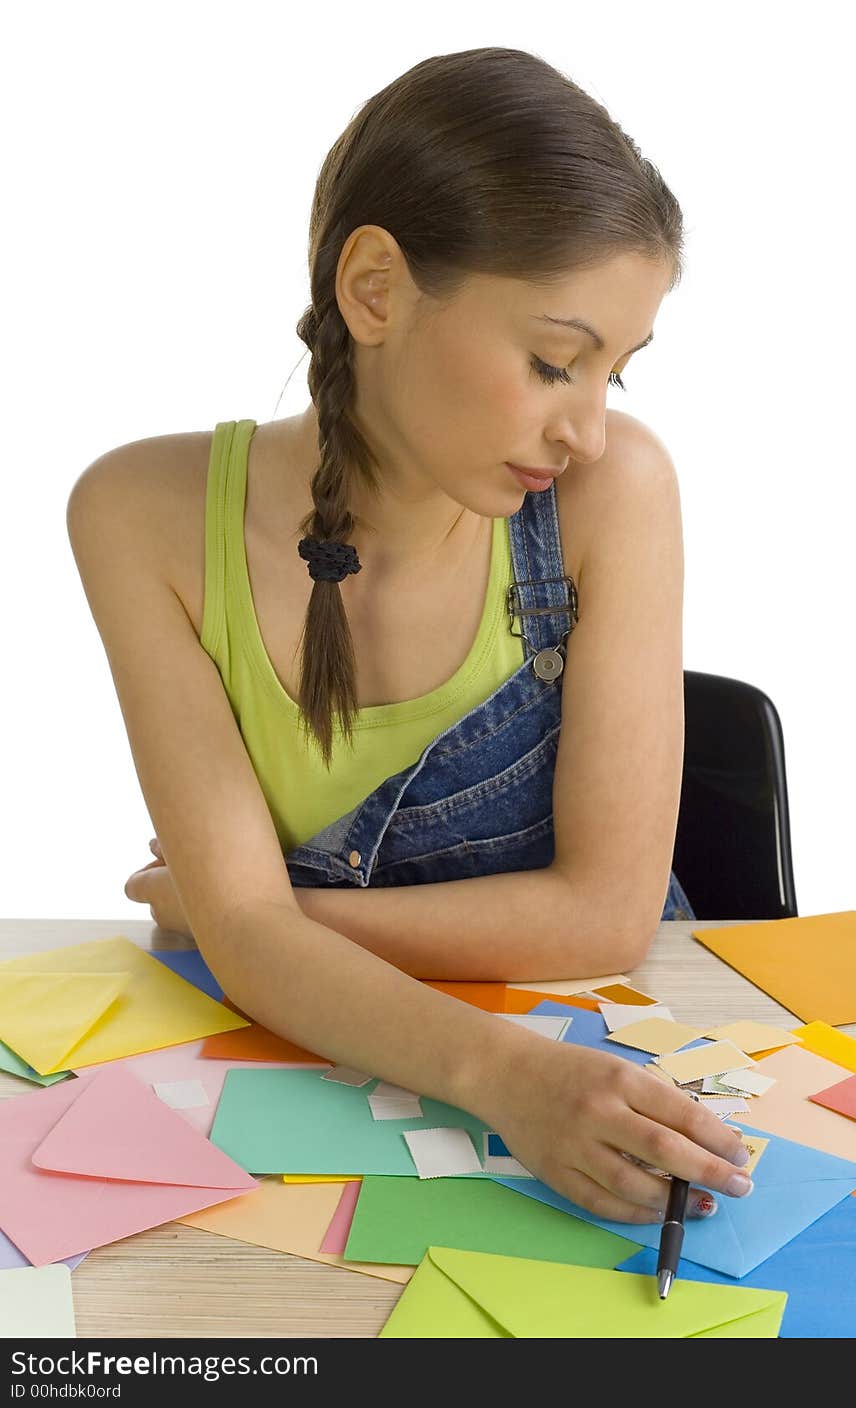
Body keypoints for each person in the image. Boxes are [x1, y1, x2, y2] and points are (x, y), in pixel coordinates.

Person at [67, 46, 753, 1223]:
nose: (586, 430)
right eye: (552, 362)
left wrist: (256, 926)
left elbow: (599, 917)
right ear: (374, 287)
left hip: (606, 1049)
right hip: (349, 1072)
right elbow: (239, 935)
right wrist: (493, 1070)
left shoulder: (614, 493)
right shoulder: (137, 515)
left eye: (614, 377)